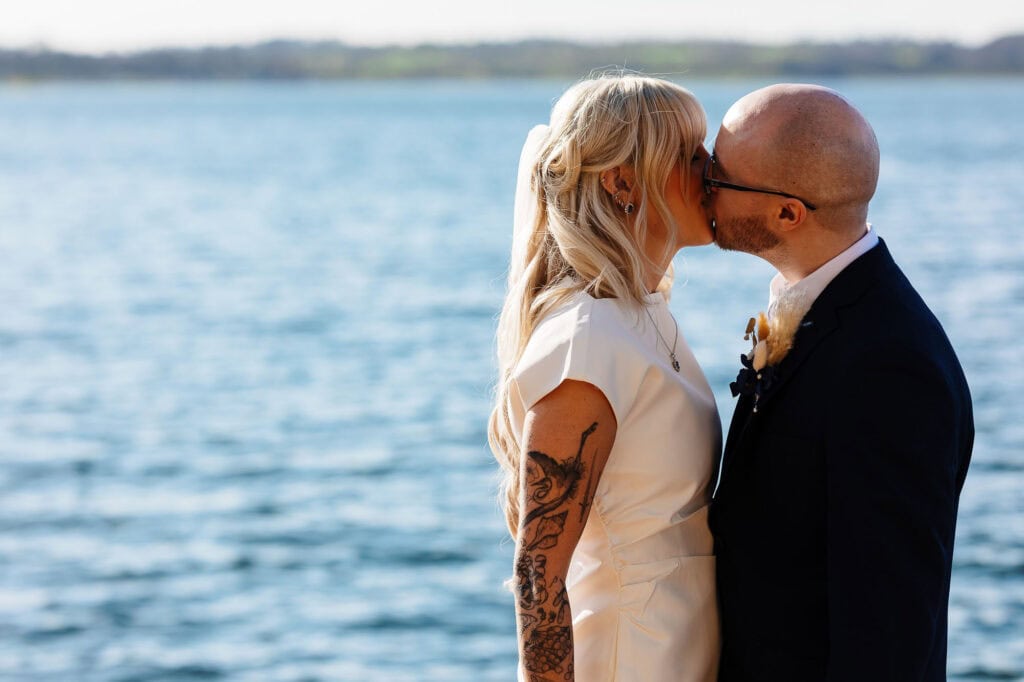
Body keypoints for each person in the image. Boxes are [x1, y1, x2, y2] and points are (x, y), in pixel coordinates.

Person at [706, 83, 974, 680]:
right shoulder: (828, 307)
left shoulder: (892, 367)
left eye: (718, 177)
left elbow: (889, 627)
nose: (701, 185)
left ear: (787, 213)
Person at [489, 74, 721, 681]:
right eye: (690, 155)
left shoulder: (642, 315)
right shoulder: (588, 338)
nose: (713, 169)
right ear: (622, 180)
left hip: (679, 648)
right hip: (631, 657)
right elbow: (537, 575)